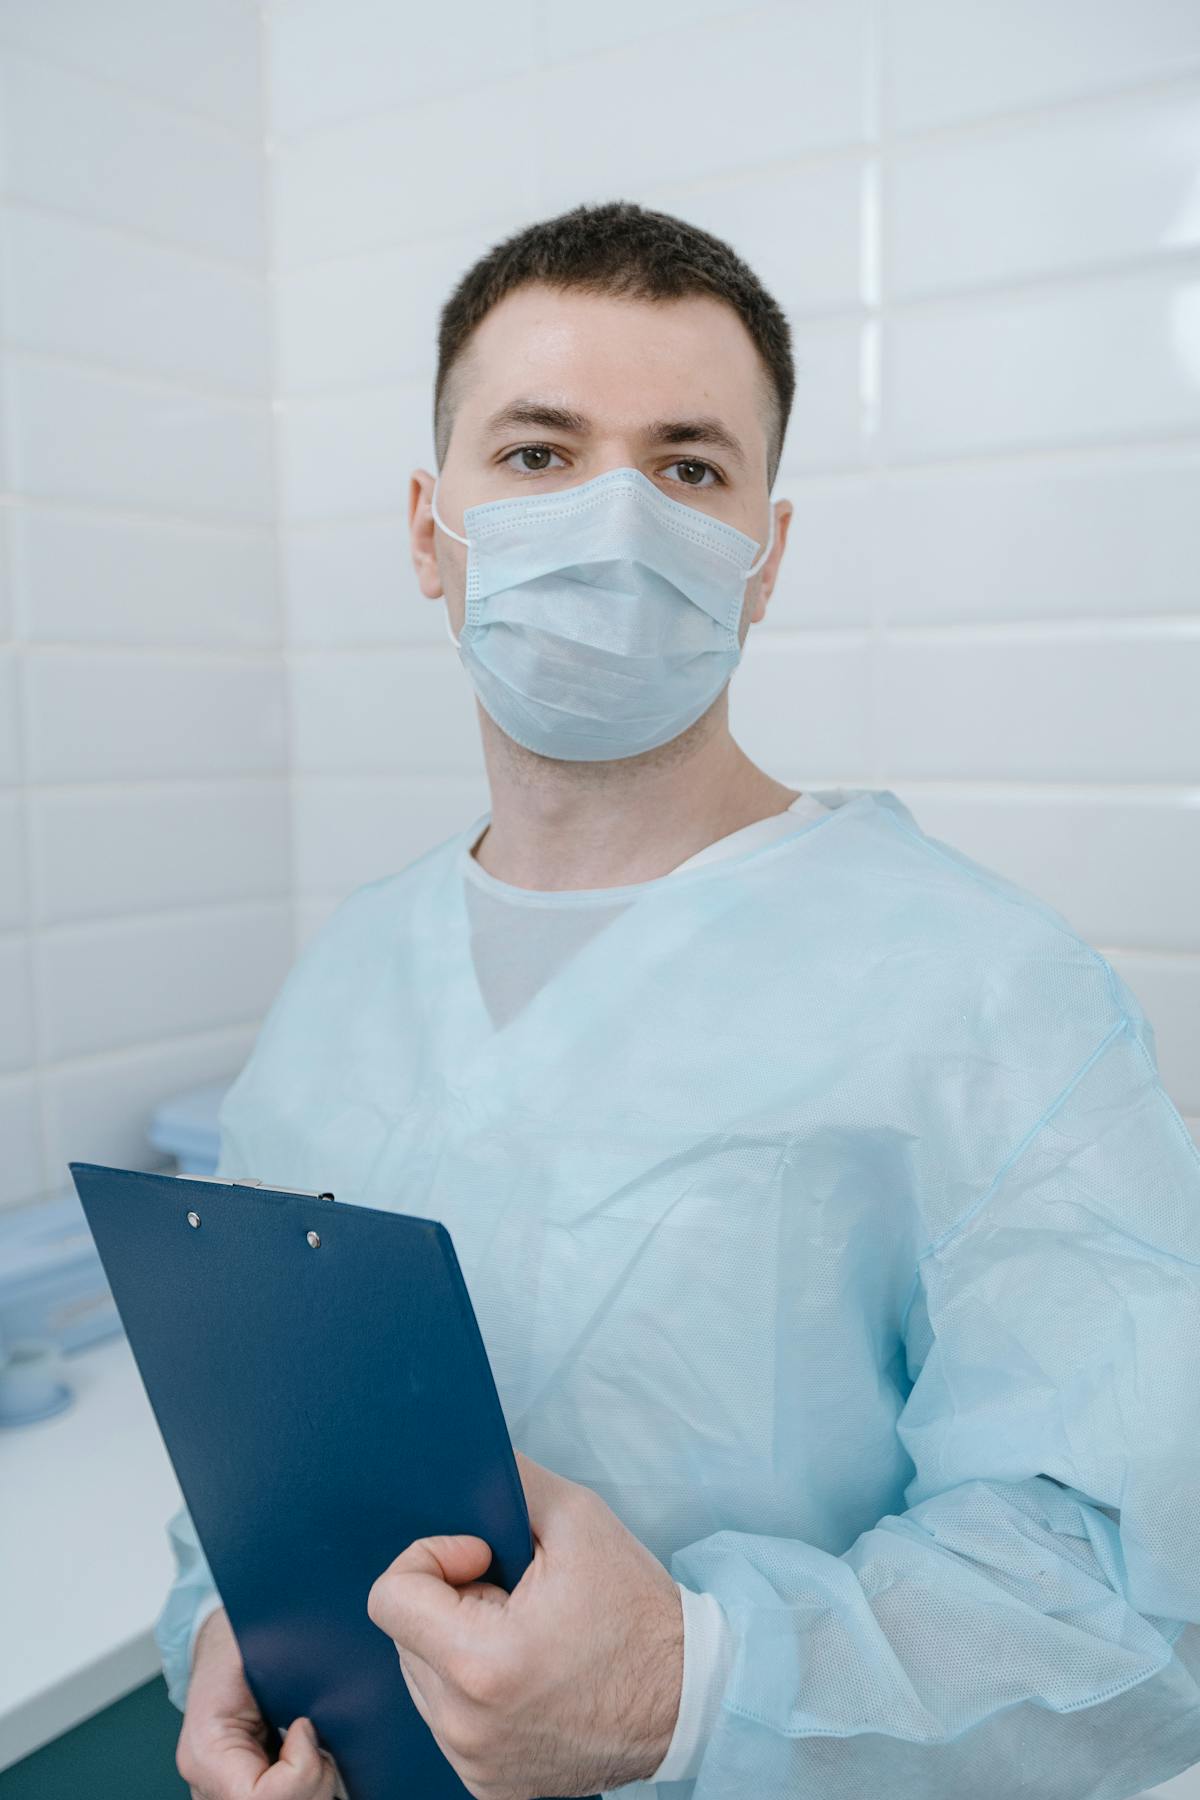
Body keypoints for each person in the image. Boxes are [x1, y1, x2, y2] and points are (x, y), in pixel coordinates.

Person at [159, 200, 1200, 1800]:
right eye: (539, 454)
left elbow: (1135, 1594)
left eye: (689, 468)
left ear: (764, 558)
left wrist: (690, 1688)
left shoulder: (988, 990)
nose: (613, 523)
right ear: (430, 531)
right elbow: (248, 1438)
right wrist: (242, 1648)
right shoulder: (344, 981)